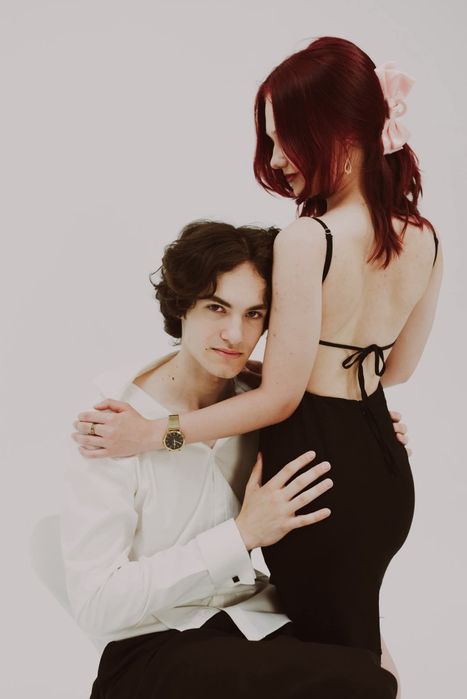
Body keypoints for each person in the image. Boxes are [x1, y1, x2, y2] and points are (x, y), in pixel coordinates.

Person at [72, 36, 439, 687]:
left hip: (312, 476)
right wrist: (359, 419)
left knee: (356, 674)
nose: (274, 159)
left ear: (335, 129)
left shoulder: (309, 237)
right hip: (384, 471)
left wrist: (155, 433)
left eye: (283, 137)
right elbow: (398, 369)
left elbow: (281, 398)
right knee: (358, 661)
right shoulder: (423, 237)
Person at [63, 220, 408, 698]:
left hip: (253, 625)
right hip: (151, 648)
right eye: (216, 307)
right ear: (182, 305)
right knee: (358, 684)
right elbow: (97, 604)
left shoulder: (265, 406)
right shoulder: (115, 423)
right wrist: (242, 534)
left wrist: (370, 437)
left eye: (254, 314)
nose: (234, 333)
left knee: (375, 677)